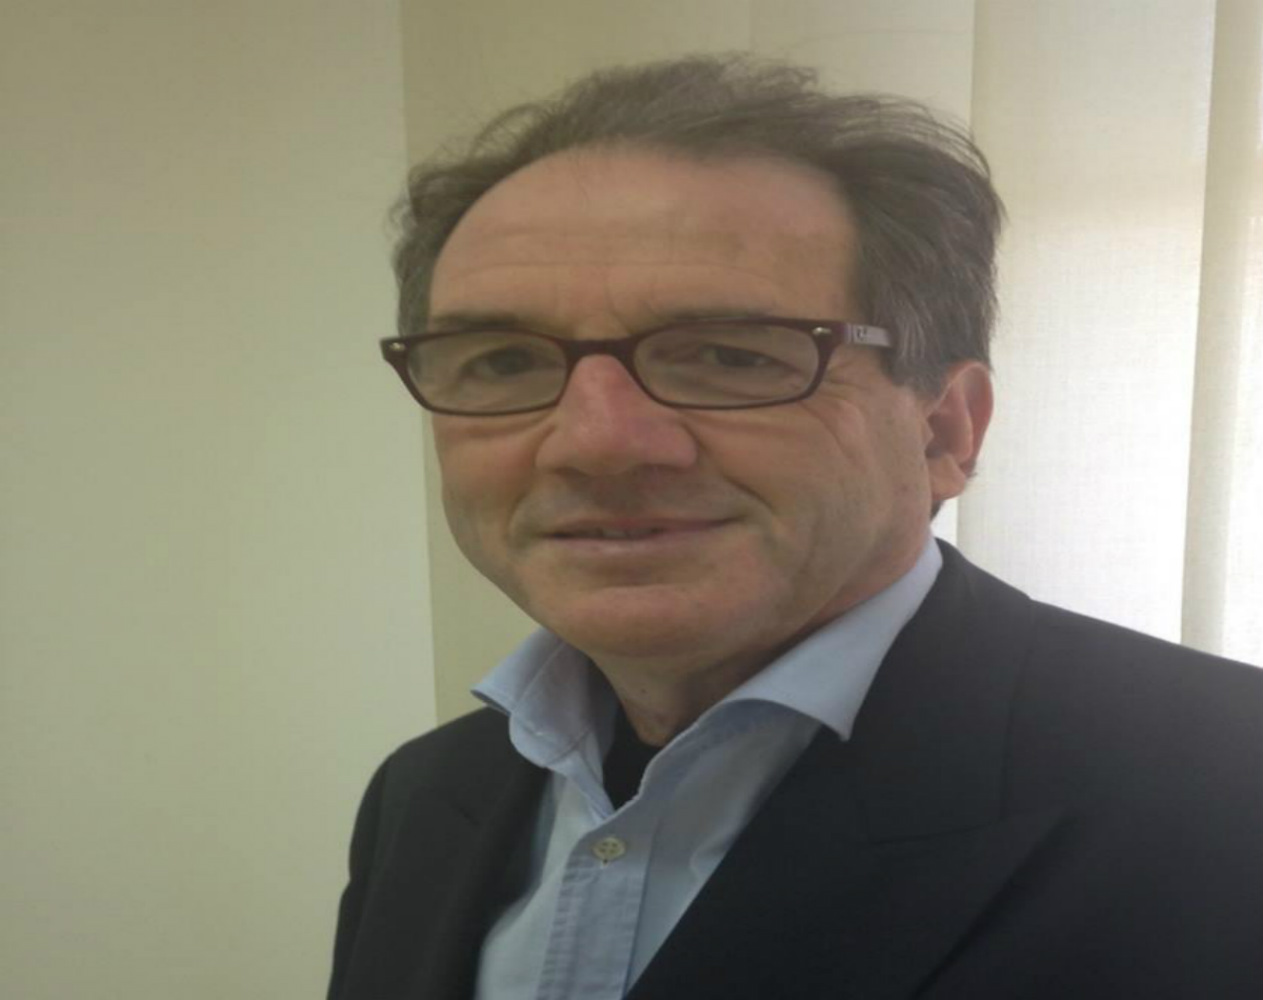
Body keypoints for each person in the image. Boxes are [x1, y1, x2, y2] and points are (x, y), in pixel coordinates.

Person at [328, 54, 1263, 1000]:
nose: (596, 443)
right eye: (500, 363)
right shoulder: (423, 794)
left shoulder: (1229, 788)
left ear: (945, 430)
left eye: (729, 355)